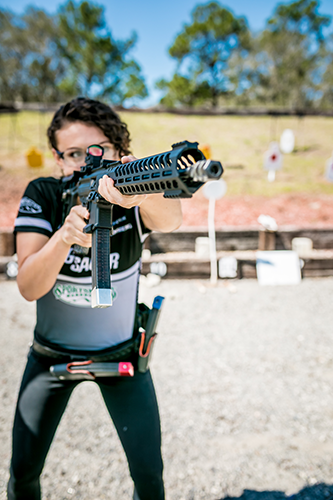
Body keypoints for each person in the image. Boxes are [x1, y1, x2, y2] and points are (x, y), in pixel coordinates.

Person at [8, 97, 182, 500]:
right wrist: (64, 237)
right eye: (72, 154)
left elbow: (171, 220)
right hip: (50, 355)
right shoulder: (45, 194)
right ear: (57, 158)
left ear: (119, 151)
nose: (85, 162)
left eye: (98, 151)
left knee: (149, 474)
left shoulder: (133, 196)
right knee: (23, 472)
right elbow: (29, 286)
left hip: (121, 353)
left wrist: (141, 195)